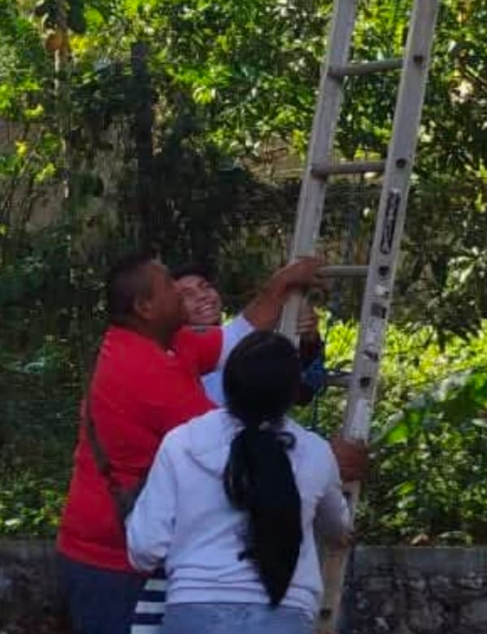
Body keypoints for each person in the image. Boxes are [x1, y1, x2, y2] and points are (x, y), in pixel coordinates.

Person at [56, 253, 364, 634]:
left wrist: (279, 285)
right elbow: (234, 441)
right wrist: (326, 458)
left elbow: (234, 339)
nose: (181, 292)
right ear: (144, 307)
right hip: (110, 563)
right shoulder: (145, 373)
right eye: (170, 286)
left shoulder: (166, 343)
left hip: (143, 551)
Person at [127, 331, 351, 634]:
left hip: (193, 612)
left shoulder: (181, 443)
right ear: (291, 392)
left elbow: (146, 548)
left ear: (228, 381)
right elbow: (338, 527)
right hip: (287, 614)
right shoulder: (316, 453)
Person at [174, 263, 326, 405]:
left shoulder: (251, 343)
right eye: (187, 294)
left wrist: (308, 341)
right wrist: (284, 280)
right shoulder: (175, 356)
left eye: (205, 287)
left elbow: (304, 392)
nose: (202, 296)